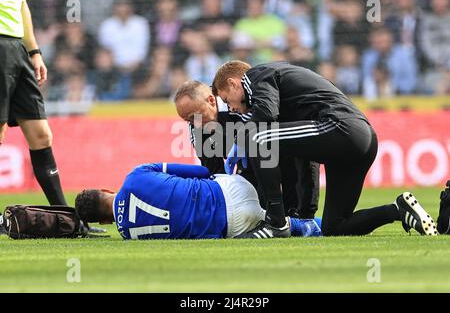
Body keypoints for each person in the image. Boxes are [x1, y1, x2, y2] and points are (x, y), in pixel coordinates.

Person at [210, 60, 438, 238]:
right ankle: (397, 210)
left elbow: (266, 117)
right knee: (335, 227)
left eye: (227, 98)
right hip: (360, 141)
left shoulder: (255, 75)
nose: (230, 107)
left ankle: (275, 224)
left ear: (233, 83)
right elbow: (307, 156)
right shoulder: (286, 98)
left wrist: (242, 137)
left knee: (258, 136)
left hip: (340, 127)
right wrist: (306, 214)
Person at [174, 80, 320, 220]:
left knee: (290, 210)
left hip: (277, 155)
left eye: (195, 116)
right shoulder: (196, 127)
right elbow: (215, 171)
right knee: (255, 212)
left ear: (211, 101)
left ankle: (300, 217)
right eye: (188, 120)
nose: (195, 124)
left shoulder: (241, 101)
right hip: (247, 167)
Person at [74, 163, 322, 240]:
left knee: (279, 223)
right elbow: (201, 172)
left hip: (231, 227)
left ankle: (308, 226)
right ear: (106, 189)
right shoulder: (136, 175)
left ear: (105, 221)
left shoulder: (130, 235)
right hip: (232, 190)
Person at [0, 0, 66, 205]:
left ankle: (65, 217)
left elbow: (22, 6)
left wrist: (34, 51)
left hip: (17, 50)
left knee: (41, 135)